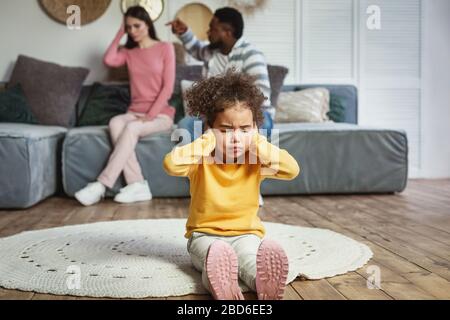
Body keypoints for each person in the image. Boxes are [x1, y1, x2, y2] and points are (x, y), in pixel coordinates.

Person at [163, 71, 300, 300]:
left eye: (244, 129)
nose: (236, 138)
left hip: (246, 233)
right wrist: (206, 140)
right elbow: (171, 165)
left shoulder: (255, 158)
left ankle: (263, 283)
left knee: (248, 258)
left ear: (254, 128)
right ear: (210, 127)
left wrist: (256, 141)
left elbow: (292, 169)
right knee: (212, 260)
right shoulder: (200, 159)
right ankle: (222, 287)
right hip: (204, 236)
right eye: (226, 130)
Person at [75, 6, 176, 206]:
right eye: (129, 27)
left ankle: (101, 185)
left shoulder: (165, 48)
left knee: (131, 127)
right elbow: (108, 59)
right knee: (115, 122)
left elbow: (168, 88)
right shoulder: (129, 53)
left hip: (160, 115)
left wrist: (150, 115)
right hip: (134, 111)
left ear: (147, 24)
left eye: (137, 25)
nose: (133, 31)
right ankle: (137, 184)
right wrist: (119, 32)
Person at [167, 7, 274, 142]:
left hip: (250, 113)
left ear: (227, 32)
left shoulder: (250, 54)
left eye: (213, 28)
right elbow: (196, 49)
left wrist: (234, 113)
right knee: (184, 126)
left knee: (259, 129)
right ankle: (199, 162)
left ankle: (244, 161)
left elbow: (261, 95)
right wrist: (184, 33)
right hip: (216, 113)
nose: (208, 32)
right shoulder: (212, 52)